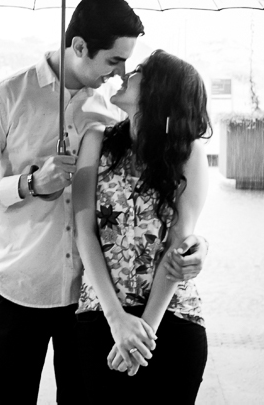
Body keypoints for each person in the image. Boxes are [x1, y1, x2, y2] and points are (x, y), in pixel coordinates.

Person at [0, 0, 209, 405]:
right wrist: (28, 185)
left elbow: (157, 200)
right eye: (114, 61)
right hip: (20, 287)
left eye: (128, 62)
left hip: (88, 302)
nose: (121, 73)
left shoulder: (114, 111)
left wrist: (196, 245)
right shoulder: (6, 98)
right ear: (80, 47)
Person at [71, 49, 211, 403]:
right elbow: (83, 229)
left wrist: (144, 332)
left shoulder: (188, 153)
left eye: (139, 72)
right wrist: (117, 320)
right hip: (102, 316)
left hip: (171, 320)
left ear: (158, 92)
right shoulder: (95, 140)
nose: (127, 73)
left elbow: (179, 245)